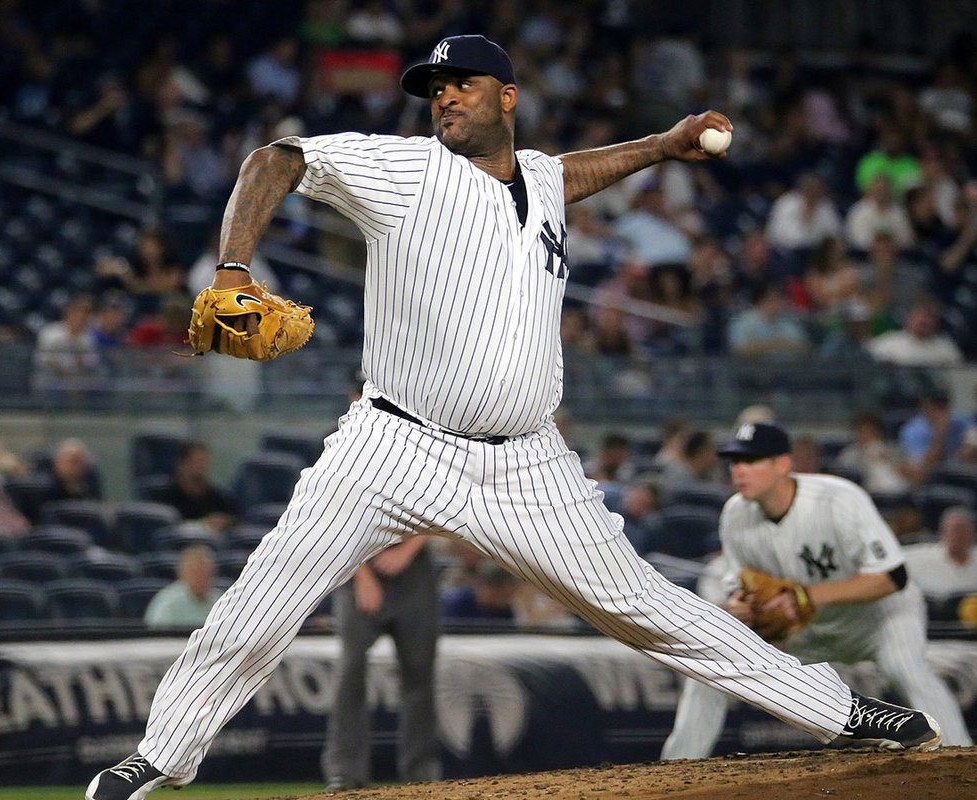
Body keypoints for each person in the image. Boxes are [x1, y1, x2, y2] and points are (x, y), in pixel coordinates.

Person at [87, 35, 945, 800]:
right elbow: (274, 159)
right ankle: (157, 758)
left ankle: (839, 711)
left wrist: (664, 145)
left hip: (530, 463)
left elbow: (572, 172)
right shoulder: (408, 170)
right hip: (394, 443)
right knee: (266, 598)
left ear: (507, 97)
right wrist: (235, 265)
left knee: (648, 606)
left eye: (463, 83)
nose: (445, 97)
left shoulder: (537, 174)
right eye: (435, 88)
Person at [660, 422, 971, 761]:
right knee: (714, 661)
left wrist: (808, 595)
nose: (739, 470)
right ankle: (676, 766)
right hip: (803, 627)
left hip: (878, 619)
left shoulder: (837, 498)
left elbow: (892, 577)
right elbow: (741, 586)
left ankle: (963, 759)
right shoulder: (735, 514)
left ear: (782, 464)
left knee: (905, 667)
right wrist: (742, 607)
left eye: (752, 461)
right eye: (735, 462)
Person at [323, 534, 440, 791]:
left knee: (419, 674)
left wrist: (407, 551)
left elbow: (442, 509)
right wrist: (362, 575)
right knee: (350, 670)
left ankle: (421, 770)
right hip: (356, 564)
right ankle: (345, 771)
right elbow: (341, 523)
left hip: (414, 570)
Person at [903, 506, 977, 621]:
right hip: (932, 626)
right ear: (942, 532)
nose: (958, 536)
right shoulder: (920, 557)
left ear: (972, 534)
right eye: (954, 530)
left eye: (963, 530)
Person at [150, 441, 237, 533]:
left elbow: (235, 520)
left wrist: (225, 522)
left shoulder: (215, 497)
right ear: (182, 463)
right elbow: (162, 527)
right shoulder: (164, 495)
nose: (201, 467)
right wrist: (203, 524)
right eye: (196, 461)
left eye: (204, 462)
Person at [143, 545, 223, 629]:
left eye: (204, 572)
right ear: (182, 573)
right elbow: (157, 636)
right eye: (194, 572)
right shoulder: (167, 602)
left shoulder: (220, 601)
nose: (200, 577)